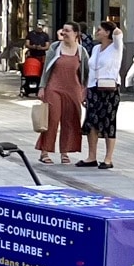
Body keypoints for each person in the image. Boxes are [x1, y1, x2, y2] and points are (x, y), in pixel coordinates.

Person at [36, 23, 89, 165]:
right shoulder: (55, 48)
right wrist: (42, 87)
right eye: (63, 30)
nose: (64, 33)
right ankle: (44, 152)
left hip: (73, 89)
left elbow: (86, 73)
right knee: (52, 120)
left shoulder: (81, 51)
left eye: (67, 31)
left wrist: (85, 90)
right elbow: (46, 69)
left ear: (76, 33)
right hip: (54, 88)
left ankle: (65, 152)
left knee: (70, 120)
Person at [80, 22, 124, 169]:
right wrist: (85, 89)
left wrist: (112, 24)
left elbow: (118, 33)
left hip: (110, 88)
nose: (96, 32)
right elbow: (91, 70)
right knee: (91, 121)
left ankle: (108, 158)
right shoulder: (96, 48)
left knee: (108, 122)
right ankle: (91, 156)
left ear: (107, 32)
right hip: (94, 88)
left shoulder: (116, 46)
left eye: (100, 30)